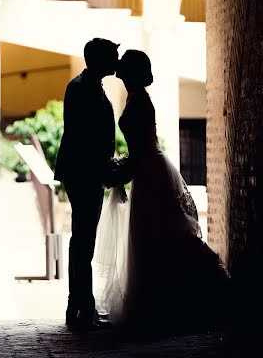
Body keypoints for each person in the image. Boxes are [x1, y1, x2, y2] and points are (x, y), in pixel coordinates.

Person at [94, 49, 231, 336]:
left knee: (160, 235)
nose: (119, 72)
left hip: (150, 171)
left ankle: (175, 301)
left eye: (124, 69)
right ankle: (157, 301)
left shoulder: (141, 100)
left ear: (130, 73)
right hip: (145, 169)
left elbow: (143, 145)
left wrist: (124, 168)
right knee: (150, 237)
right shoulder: (135, 98)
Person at [54, 37, 120, 331]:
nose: (116, 61)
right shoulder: (82, 88)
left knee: (82, 240)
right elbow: (84, 138)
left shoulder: (88, 85)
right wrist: (102, 169)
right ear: (100, 59)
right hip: (83, 173)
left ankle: (79, 304)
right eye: (112, 56)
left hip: (85, 171)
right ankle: (80, 306)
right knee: (83, 241)